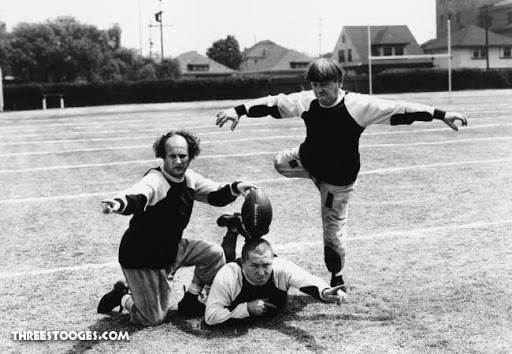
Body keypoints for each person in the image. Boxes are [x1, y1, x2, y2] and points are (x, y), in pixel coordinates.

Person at [215, 57, 468, 292]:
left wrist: (441, 114)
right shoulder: (307, 100)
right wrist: (239, 110)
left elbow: (400, 110)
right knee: (280, 162)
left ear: (339, 82)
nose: (319, 91)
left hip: (338, 181)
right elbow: (274, 103)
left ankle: (337, 277)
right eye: (315, 85)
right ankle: (309, 169)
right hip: (308, 162)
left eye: (324, 85)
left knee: (332, 235)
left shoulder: (359, 105)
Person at [97, 130, 256, 326]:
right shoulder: (156, 180)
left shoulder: (189, 178)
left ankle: (192, 298)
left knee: (214, 254)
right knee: (152, 319)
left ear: (191, 156)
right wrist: (118, 203)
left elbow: (215, 193)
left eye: (183, 156)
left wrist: (236, 187)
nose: (178, 161)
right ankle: (122, 295)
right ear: (163, 157)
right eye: (172, 156)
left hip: (171, 248)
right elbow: (138, 195)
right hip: (140, 255)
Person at [205, 238, 347, 325]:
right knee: (225, 259)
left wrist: (325, 292)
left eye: (266, 265)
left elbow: (307, 280)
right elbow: (211, 316)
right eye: (254, 266)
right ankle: (232, 231)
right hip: (226, 275)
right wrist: (246, 309)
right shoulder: (229, 275)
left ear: (273, 260)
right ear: (243, 263)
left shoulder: (281, 266)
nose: (261, 273)